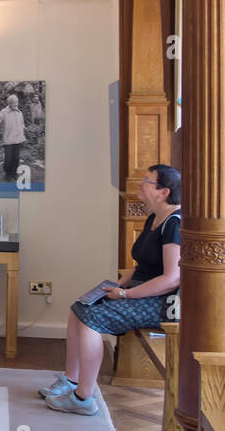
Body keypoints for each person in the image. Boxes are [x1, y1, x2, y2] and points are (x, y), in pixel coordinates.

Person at [42, 165, 182, 416]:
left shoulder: (174, 224)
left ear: (163, 192)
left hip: (159, 301)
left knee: (92, 320)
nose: (139, 184)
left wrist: (126, 294)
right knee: (80, 308)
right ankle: (71, 379)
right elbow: (142, 265)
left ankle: (84, 398)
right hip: (138, 290)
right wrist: (119, 283)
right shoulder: (154, 217)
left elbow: (171, 279)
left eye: (146, 182)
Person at [0, 93, 26, 182]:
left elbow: (22, 123)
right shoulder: (4, 112)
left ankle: (14, 173)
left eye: (17, 102)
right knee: (8, 158)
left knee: (16, 158)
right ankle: (8, 173)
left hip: (18, 139)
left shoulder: (19, 112)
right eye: (14, 103)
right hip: (8, 139)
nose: (16, 104)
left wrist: (23, 129)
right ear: (9, 103)